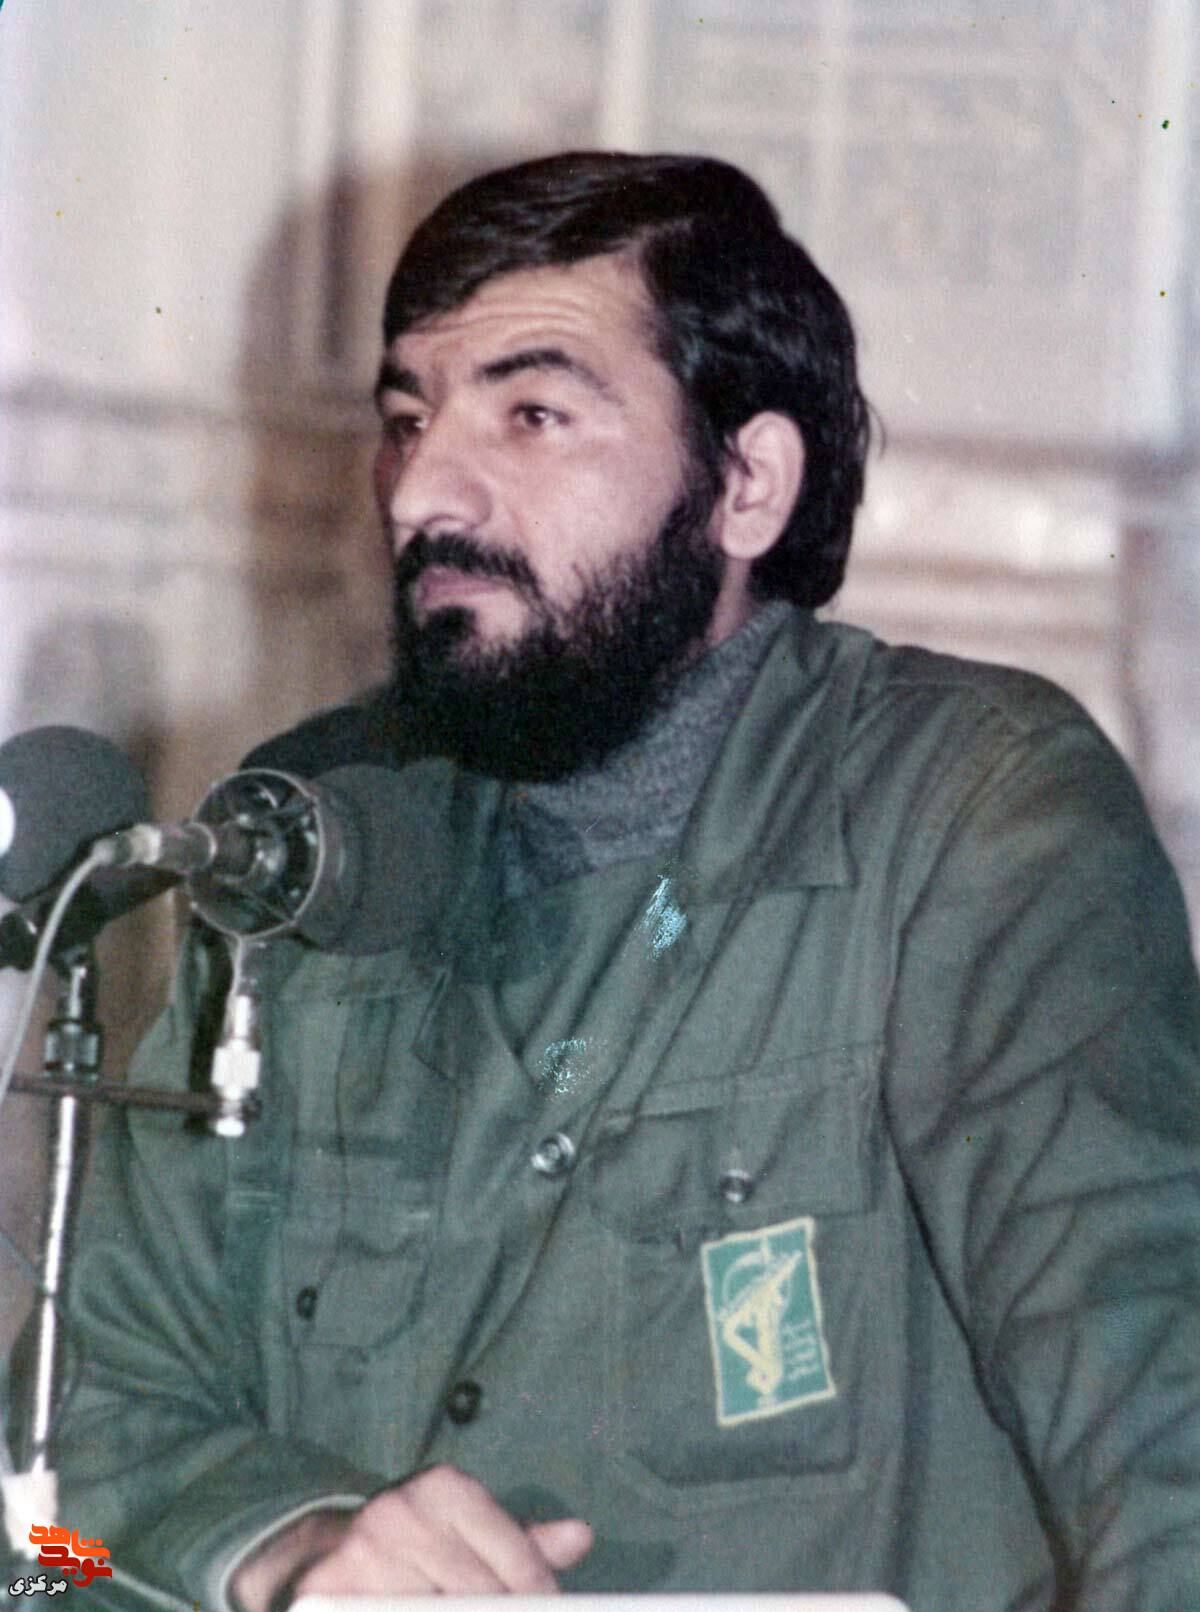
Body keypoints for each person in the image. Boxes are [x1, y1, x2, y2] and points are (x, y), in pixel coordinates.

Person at [26, 152, 1200, 1610]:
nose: (423, 492)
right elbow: (39, 1541)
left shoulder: (968, 813)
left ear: (747, 485)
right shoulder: (298, 850)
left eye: (532, 414)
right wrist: (277, 1556)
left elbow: (1169, 1454)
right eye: (407, 418)